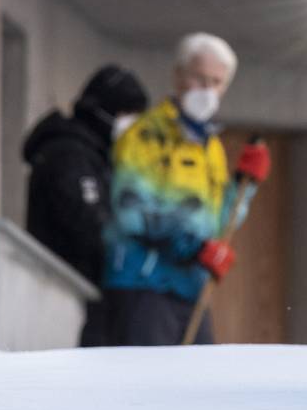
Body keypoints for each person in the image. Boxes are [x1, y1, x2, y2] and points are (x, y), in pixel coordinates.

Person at [103, 33, 269, 346]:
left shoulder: (211, 146)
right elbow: (132, 214)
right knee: (150, 375)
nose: (207, 90)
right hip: (144, 284)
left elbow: (217, 223)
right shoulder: (145, 135)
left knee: (199, 374)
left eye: (216, 82)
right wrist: (194, 247)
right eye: (199, 78)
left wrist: (244, 185)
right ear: (178, 76)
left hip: (190, 287)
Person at [23, 64, 148, 346]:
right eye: (126, 114)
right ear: (104, 110)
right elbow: (88, 223)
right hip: (66, 294)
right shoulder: (69, 153)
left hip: (86, 296)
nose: (130, 125)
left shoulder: (95, 154)